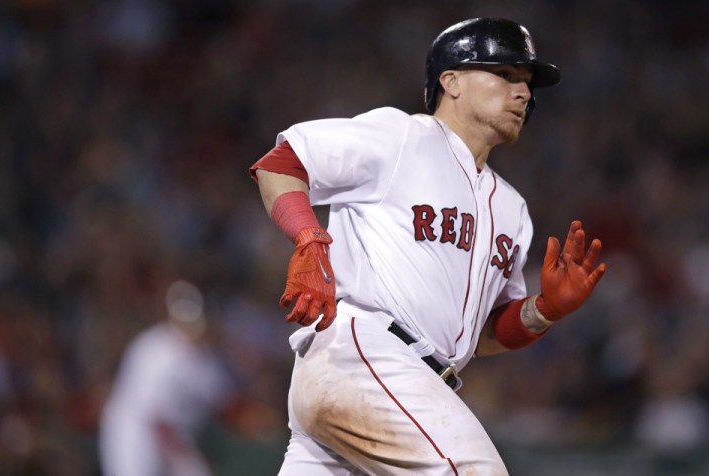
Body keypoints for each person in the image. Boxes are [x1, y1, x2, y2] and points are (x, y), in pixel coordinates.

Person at [250, 17, 606, 475]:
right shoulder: (403, 137)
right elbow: (281, 163)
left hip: (409, 382)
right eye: (506, 75)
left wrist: (543, 311)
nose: (523, 93)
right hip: (364, 354)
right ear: (451, 81)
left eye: (527, 83)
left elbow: (480, 337)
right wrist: (308, 236)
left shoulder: (514, 211)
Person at [98, 280, 237, 476]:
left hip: (175, 435)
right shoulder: (155, 350)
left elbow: (227, 402)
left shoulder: (206, 359)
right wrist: (183, 457)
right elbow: (154, 416)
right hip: (136, 433)